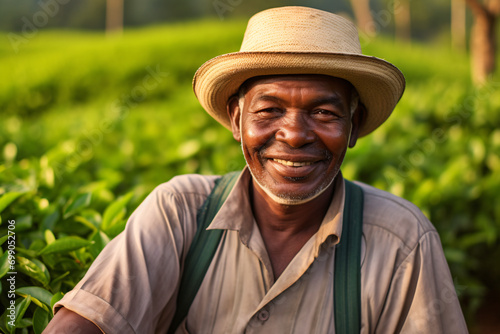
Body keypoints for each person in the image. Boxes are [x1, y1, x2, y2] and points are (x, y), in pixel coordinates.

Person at [44, 6, 468, 334]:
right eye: (269, 109)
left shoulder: (401, 240)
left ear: (353, 126)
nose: (295, 135)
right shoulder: (180, 213)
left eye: (323, 111)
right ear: (236, 119)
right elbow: (84, 321)